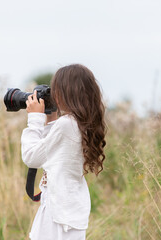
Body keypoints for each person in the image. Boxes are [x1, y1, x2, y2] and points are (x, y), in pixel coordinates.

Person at [21, 64, 107, 240]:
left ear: (67, 92)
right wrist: (51, 118)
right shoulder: (80, 123)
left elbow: (31, 156)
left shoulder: (66, 123)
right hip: (69, 209)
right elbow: (54, 151)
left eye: (56, 90)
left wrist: (35, 119)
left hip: (58, 216)